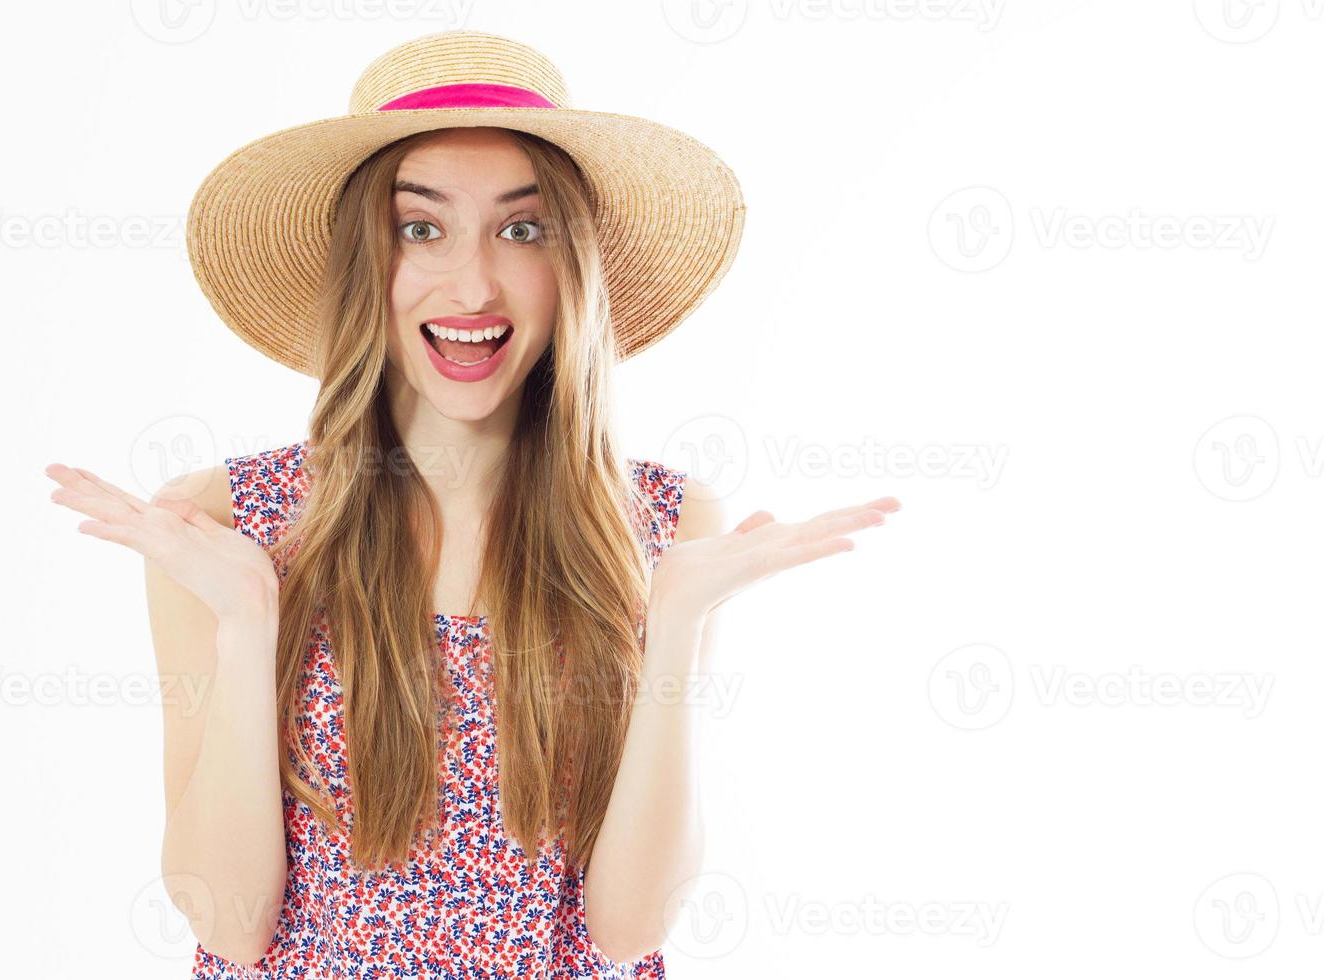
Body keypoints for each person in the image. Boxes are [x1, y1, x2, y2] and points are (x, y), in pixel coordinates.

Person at [44, 29, 898, 978]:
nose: (475, 283)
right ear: (364, 260)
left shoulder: (667, 526)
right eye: (422, 227)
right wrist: (249, 622)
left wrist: (679, 623)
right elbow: (231, 923)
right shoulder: (221, 522)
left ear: (570, 263)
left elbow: (627, 933)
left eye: (522, 229)